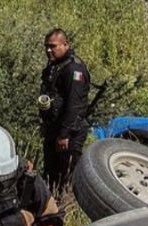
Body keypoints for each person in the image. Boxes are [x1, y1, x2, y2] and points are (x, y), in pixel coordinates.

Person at [39, 28, 90, 191]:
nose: (48, 50)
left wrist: (64, 134)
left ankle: (66, 207)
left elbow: (74, 105)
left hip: (69, 133)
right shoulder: (55, 66)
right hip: (54, 128)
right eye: (46, 46)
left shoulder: (74, 69)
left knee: (66, 177)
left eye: (53, 46)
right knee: (50, 175)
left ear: (65, 45)